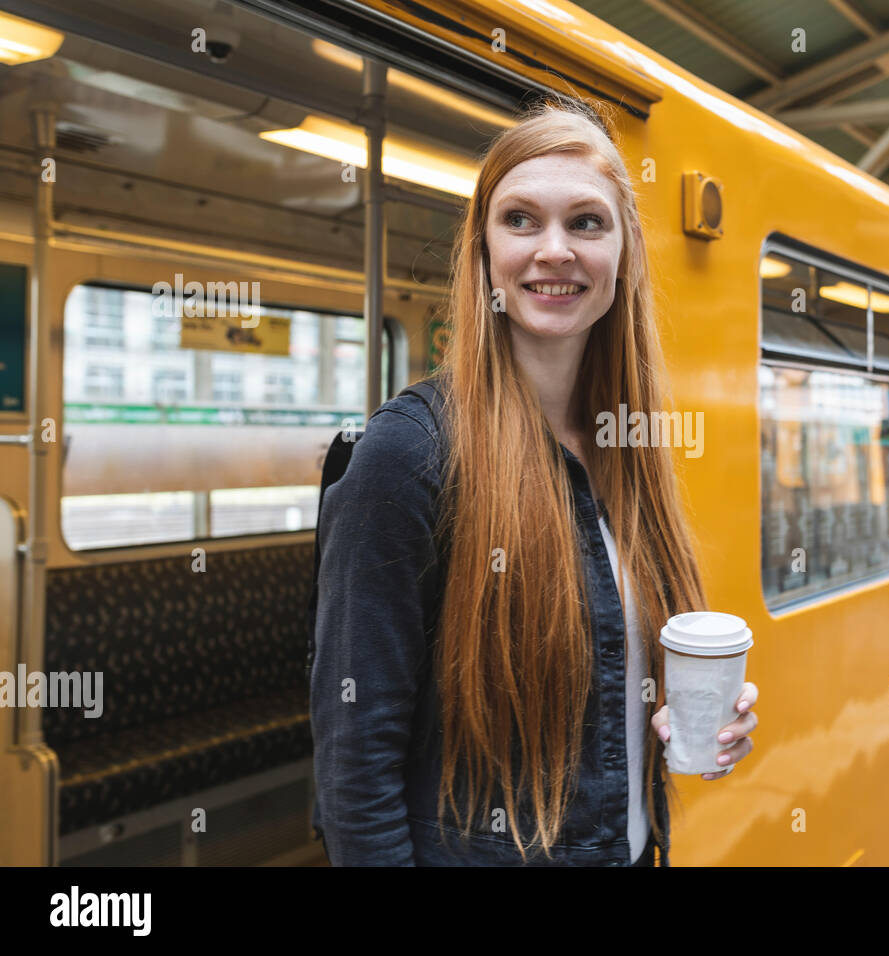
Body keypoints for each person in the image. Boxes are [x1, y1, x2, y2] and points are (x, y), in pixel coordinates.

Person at [310, 94, 759, 867]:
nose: (554, 250)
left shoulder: (628, 450)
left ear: (624, 254)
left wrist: (694, 720)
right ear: (485, 254)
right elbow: (354, 773)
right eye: (520, 220)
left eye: (587, 222)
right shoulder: (409, 454)